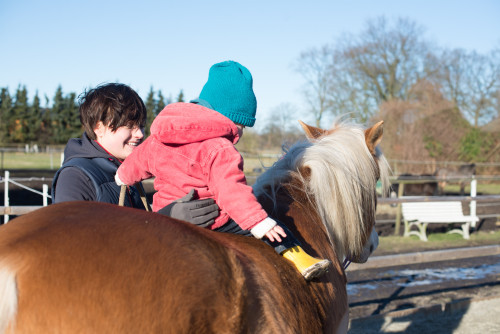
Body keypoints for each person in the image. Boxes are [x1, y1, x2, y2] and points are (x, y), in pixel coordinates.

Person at [115, 61, 331, 280]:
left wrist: (122, 176)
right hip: (213, 218)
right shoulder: (220, 148)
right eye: (242, 125)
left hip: (168, 216)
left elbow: (136, 163)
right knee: (278, 229)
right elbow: (231, 192)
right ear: (230, 118)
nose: (241, 132)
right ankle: (302, 260)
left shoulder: (158, 139)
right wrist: (259, 223)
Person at [52, 83, 219, 226]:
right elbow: (72, 244)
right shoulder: (75, 177)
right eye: (129, 126)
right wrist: (164, 219)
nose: (140, 134)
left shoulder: (127, 170)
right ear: (99, 128)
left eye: (141, 125)